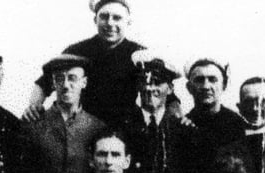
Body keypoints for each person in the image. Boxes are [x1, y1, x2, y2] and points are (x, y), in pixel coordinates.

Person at [22, 0, 180, 126]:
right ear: (95, 20)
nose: (110, 23)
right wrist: (34, 107)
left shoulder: (140, 54)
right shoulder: (77, 51)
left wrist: (177, 117)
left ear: (128, 21)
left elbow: (167, 92)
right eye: (104, 16)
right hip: (82, 127)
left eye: (117, 18)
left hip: (124, 128)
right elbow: (44, 83)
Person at [120, 50, 191, 173]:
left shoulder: (184, 131)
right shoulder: (122, 129)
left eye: (157, 82)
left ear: (170, 88)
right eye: (144, 81)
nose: (149, 88)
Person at [181, 57, 248, 173]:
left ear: (224, 85)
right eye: (199, 80)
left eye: (212, 79)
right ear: (189, 88)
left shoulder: (237, 125)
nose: (206, 86)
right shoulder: (182, 127)